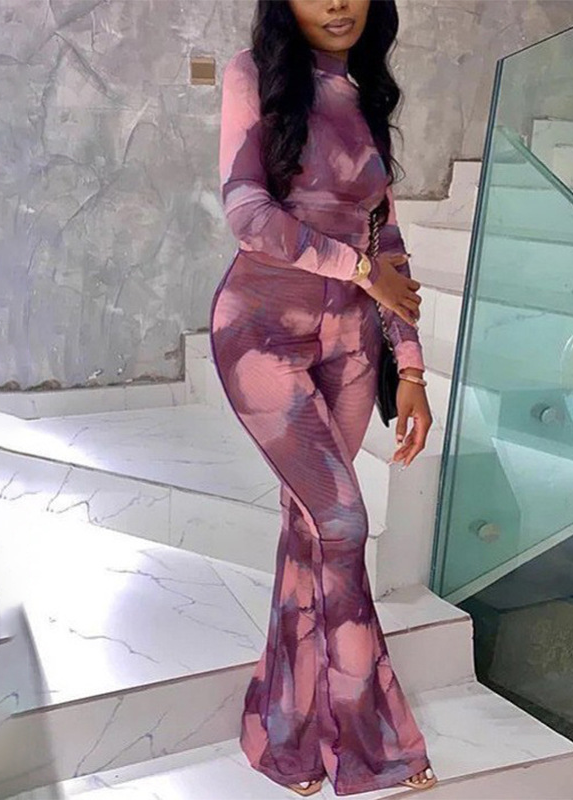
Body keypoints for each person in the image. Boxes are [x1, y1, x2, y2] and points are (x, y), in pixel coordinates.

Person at [209, 0, 436, 795]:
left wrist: (411, 368)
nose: (337, 3)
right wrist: (356, 268)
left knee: (309, 530)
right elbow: (246, 212)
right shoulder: (255, 75)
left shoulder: (365, 92)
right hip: (262, 334)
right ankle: (370, 740)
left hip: (352, 345)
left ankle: (288, 734)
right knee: (342, 523)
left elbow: (386, 239)